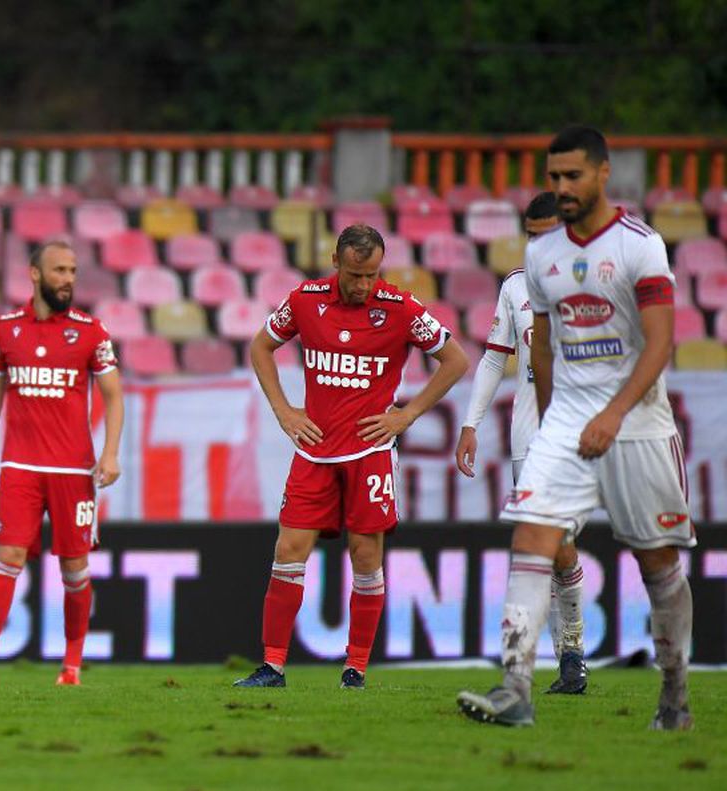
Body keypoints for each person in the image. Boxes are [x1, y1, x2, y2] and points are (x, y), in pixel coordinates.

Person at [457, 125, 694, 729]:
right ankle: (516, 688)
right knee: (532, 538)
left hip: (638, 422)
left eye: (573, 176)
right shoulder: (540, 258)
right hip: (565, 420)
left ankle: (674, 694)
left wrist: (613, 413)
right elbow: (538, 349)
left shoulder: (641, 245)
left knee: (658, 563)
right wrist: (553, 422)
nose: (562, 187)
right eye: (554, 177)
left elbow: (661, 341)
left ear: (602, 174)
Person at [235, 224, 469, 689]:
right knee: (288, 551)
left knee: (365, 555)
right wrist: (284, 411)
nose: (364, 285)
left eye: (372, 275)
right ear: (336, 263)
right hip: (315, 450)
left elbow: (456, 360)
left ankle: (355, 668)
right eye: (355, 275)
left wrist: (408, 414)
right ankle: (272, 667)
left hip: (370, 451)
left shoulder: (401, 308)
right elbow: (260, 346)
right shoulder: (306, 300)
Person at [0, 239, 125, 686]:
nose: (68, 279)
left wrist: (110, 452)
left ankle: (71, 665)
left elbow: (114, 396)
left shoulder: (91, 332)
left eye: (73, 271)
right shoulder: (6, 330)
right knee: (8, 556)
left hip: (74, 470)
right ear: (35, 274)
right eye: (59, 270)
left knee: (74, 568)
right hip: (20, 466)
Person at [454, 191, 589, 695]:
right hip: (528, 436)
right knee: (540, 547)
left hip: (579, 435)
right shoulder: (515, 287)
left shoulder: (599, 282)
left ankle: (570, 653)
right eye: (531, 236)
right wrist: (471, 424)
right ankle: (562, 663)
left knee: (558, 546)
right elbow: (495, 359)